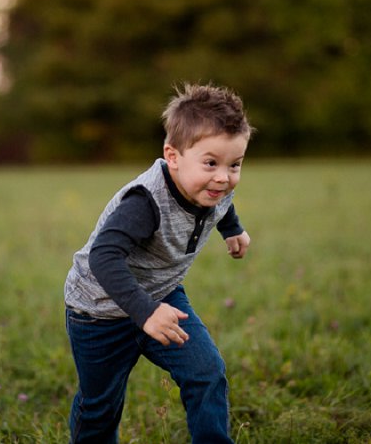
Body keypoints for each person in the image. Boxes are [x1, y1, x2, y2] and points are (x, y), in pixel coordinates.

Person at [64, 83, 254, 443]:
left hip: (162, 297)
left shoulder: (211, 185)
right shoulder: (145, 202)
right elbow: (104, 256)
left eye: (235, 165)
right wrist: (145, 311)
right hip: (98, 311)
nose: (223, 177)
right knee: (101, 406)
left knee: (206, 372)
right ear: (174, 156)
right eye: (212, 163)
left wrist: (233, 230)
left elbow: (220, 202)